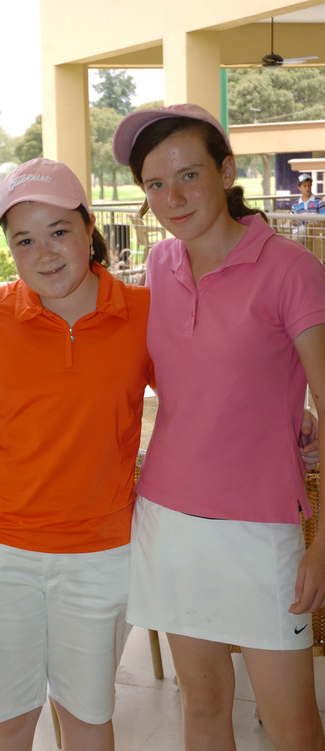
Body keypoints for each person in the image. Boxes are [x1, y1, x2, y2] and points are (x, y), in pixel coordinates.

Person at [112, 103, 325, 751]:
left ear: (226, 171)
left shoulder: (291, 268)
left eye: (189, 175)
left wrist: (323, 544)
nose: (172, 198)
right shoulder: (158, 266)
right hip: (168, 518)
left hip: (260, 528)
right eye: (155, 184)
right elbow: (191, 380)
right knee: (202, 704)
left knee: (292, 725)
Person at [0, 157, 154, 751]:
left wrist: (294, 419)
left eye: (59, 231)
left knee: (87, 718)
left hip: (101, 554)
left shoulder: (143, 313)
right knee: (7, 720)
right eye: (24, 240)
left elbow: (199, 402)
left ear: (88, 227)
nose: (44, 253)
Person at [291, 173, 325, 245]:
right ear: (299, 187)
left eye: (309, 185)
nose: (307, 188)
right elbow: (293, 221)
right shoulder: (296, 204)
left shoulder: (319, 201)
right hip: (300, 231)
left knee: (294, 241)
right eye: (304, 186)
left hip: (315, 231)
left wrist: (309, 222)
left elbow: (323, 218)